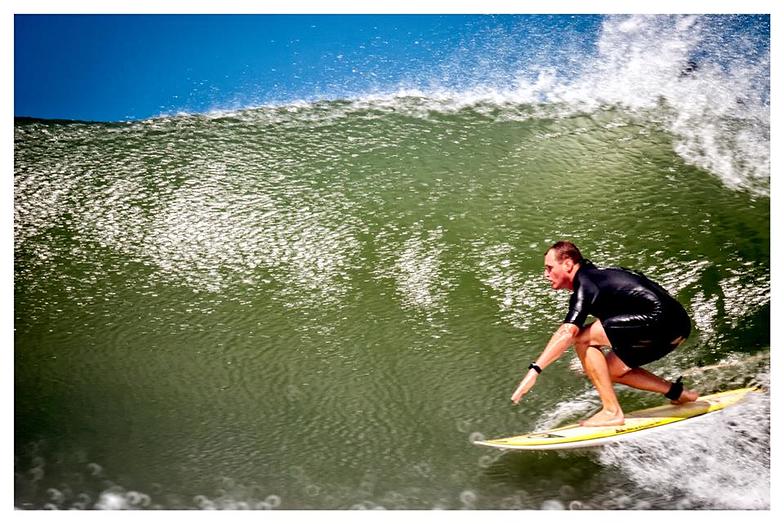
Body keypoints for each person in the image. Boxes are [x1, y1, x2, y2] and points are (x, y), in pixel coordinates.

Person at [510, 241, 699, 427]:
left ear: (567, 264)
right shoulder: (601, 276)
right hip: (678, 327)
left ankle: (611, 411)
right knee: (610, 371)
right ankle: (679, 394)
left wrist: (534, 371)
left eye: (550, 268)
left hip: (661, 322)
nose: (546, 275)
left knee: (581, 338)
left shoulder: (586, 282)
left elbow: (568, 332)